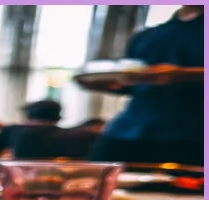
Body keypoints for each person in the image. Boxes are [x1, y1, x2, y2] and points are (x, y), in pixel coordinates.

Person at [82, 5, 204, 166]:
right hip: (130, 130)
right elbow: (138, 85)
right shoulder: (146, 36)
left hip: (193, 134)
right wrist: (107, 83)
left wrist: (183, 74)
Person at [0, 100, 98, 169]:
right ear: (58, 117)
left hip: (21, 185)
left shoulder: (13, 131)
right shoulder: (83, 136)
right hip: (70, 188)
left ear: (28, 116)